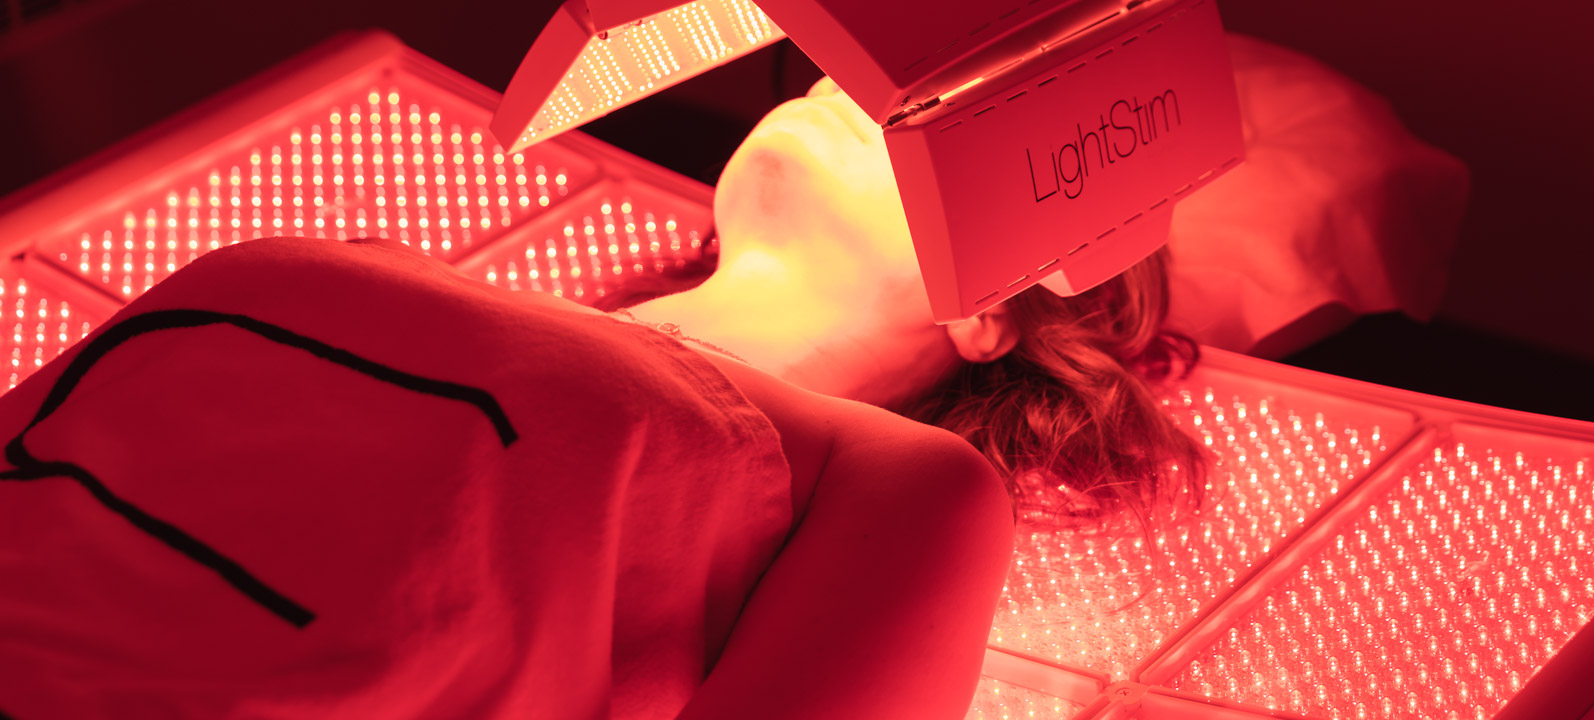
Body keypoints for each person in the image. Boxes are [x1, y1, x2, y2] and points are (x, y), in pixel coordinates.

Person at [0, 76, 1200, 720]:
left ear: (989, 309)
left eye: (926, 114)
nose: (855, 83)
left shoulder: (902, 491)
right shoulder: (381, 263)